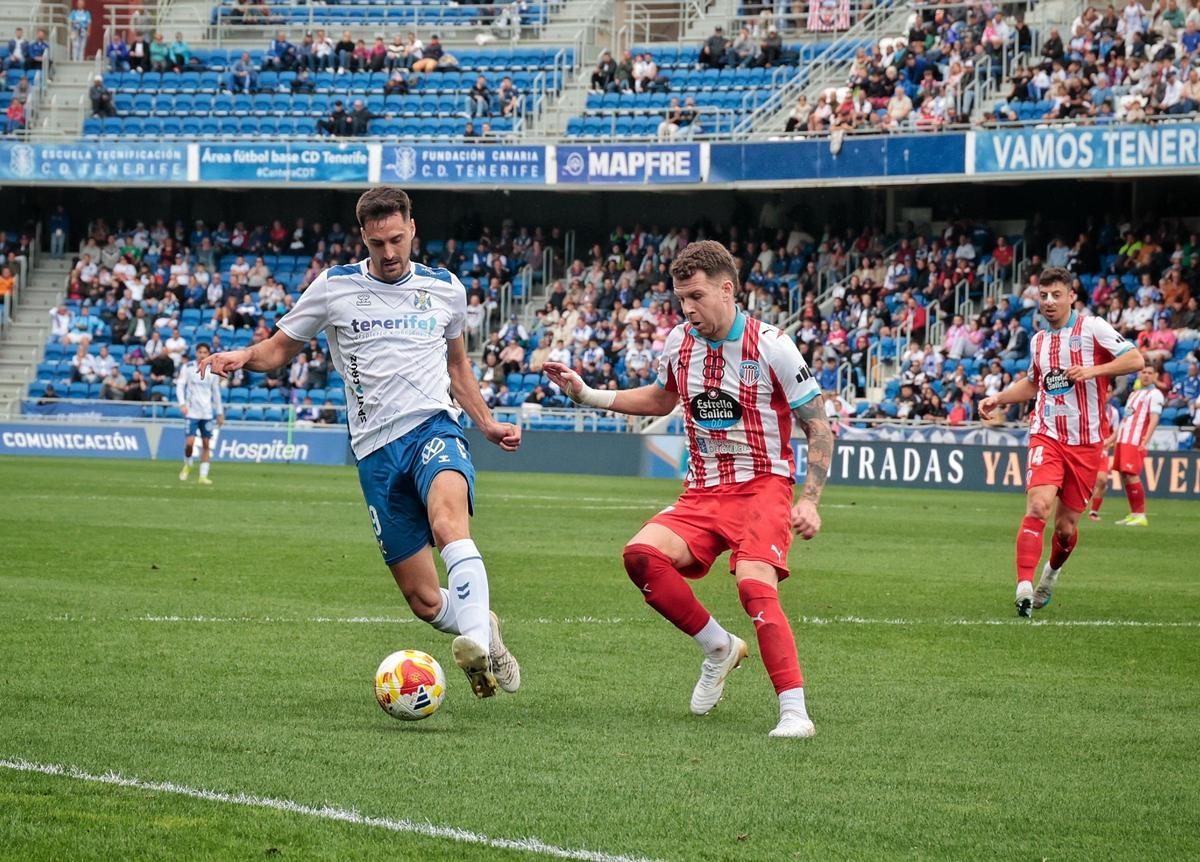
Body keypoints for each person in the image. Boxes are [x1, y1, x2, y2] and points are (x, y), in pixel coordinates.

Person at [200, 187, 522, 699]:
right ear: (363, 239)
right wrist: (243, 355)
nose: (390, 253)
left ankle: (476, 643)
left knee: (447, 523)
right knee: (421, 598)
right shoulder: (335, 287)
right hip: (374, 450)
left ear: (413, 228)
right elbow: (280, 349)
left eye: (397, 239)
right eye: (378, 244)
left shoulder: (445, 289)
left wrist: (484, 423)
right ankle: (485, 627)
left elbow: (457, 366)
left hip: (434, 427)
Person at [544, 240, 835, 738]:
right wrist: (587, 393)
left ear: (727, 289)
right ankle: (718, 646)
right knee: (640, 556)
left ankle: (794, 712)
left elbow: (819, 426)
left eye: (697, 297)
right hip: (701, 493)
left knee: (753, 585)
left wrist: (809, 499)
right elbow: (661, 400)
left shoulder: (773, 345)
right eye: (682, 300)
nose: (689, 309)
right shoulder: (679, 342)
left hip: (763, 486)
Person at [979, 267, 1144, 617]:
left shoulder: (1093, 328)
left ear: (1072, 296)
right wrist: (999, 399)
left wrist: (1092, 371)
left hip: (1085, 443)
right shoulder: (1039, 341)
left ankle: (1049, 577)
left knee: (1067, 529)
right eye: (1044, 296)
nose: (1049, 302)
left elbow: (1135, 359)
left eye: (1057, 295)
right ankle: (1023, 588)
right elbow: (1034, 384)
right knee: (1038, 506)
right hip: (1047, 433)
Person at [1112, 366, 1164, 527]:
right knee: (1124, 475)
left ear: (1155, 376)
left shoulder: (1155, 394)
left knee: (1132, 474)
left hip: (1135, 440)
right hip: (1123, 439)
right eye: (1144, 372)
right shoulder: (1134, 393)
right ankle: (1134, 513)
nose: (1146, 375)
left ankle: (1141, 514)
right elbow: (1127, 417)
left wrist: (1145, 440)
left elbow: (1154, 418)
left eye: (1150, 373)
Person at [177, 343, 225, 485]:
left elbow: (216, 393)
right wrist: (182, 404)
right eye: (200, 352)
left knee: (206, 443)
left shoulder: (213, 371)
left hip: (207, 413)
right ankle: (188, 463)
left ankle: (203, 476)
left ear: (209, 354)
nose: (202, 354)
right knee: (190, 444)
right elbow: (180, 386)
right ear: (196, 353)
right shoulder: (188, 367)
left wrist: (220, 412)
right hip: (192, 412)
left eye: (205, 352)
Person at [1086, 402, 1121, 522]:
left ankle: (1093, 512)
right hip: (1085, 447)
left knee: (1102, 480)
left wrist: (1107, 442)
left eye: (1109, 391)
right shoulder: (1088, 404)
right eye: (1106, 390)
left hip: (1102, 449)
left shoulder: (1113, 412)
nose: (1106, 393)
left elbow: (1116, 431)